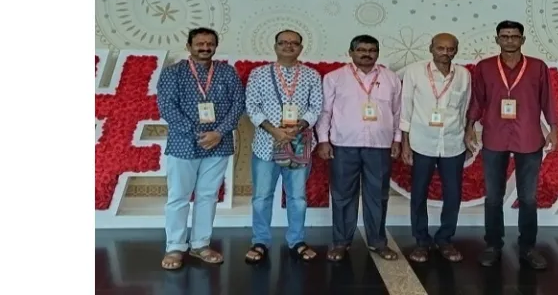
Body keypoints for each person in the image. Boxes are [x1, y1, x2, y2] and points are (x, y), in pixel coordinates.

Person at [465, 21, 558, 270]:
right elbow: (477, 100)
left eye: (514, 36)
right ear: (497, 39)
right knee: (493, 196)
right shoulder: (485, 67)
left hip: (529, 137)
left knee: (528, 197)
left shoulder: (537, 67)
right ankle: (493, 245)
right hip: (495, 136)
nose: (509, 40)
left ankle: (528, 247)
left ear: (522, 40)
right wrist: (469, 126)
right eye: (504, 36)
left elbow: (548, 100)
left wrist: (553, 129)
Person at [156, 27, 245, 271]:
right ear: (189, 46)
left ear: (215, 46)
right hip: (183, 143)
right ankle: (175, 246)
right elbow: (167, 107)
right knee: (179, 196)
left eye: (209, 44)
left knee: (208, 195)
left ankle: (200, 244)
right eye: (200, 44)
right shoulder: (173, 73)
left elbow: (238, 103)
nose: (205, 48)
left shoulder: (227, 72)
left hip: (219, 143)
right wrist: (197, 134)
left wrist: (218, 133)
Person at [316, 35, 403, 262]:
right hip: (344, 145)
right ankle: (341, 242)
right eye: (361, 50)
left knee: (378, 196)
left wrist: (397, 140)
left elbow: (398, 112)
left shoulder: (391, 78)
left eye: (372, 50)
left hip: (380, 146)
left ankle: (378, 242)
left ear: (378, 53)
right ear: (351, 52)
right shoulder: (335, 78)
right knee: (343, 195)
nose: (366, 54)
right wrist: (323, 140)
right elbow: (325, 112)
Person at [243, 30, 324, 264]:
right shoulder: (259, 74)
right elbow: (252, 107)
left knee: (297, 197)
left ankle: (297, 240)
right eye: (283, 43)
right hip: (266, 144)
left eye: (294, 43)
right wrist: (276, 131)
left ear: (301, 48)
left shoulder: (311, 75)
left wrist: (296, 129)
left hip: (299, 143)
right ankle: (260, 241)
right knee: (261, 197)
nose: (288, 46)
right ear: (275, 46)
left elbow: (316, 107)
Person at [399, 33, 472, 263]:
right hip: (422, 142)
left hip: (453, 143)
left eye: (450, 49)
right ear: (431, 48)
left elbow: (465, 108)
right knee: (419, 193)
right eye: (440, 48)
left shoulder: (463, 75)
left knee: (453, 194)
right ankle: (421, 241)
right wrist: (405, 143)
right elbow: (406, 108)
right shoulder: (414, 72)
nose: (445, 53)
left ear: (456, 51)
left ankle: (445, 239)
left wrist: (467, 137)